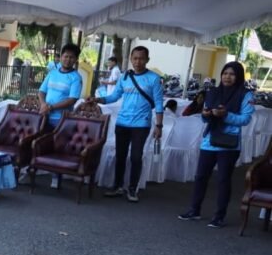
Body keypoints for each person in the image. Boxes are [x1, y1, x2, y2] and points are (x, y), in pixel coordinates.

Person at [178, 62, 255, 228]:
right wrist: (205, 114)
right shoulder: (212, 92)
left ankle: (219, 216)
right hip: (209, 141)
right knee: (200, 177)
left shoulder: (246, 95)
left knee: (223, 180)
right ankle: (194, 210)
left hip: (229, 144)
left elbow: (245, 119)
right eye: (225, 73)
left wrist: (226, 115)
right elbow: (205, 116)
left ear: (239, 76)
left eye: (232, 74)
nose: (227, 76)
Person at [93, 46, 163, 203]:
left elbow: (159, 103)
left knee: (136, 157)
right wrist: (98, 99)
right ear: (131, 59)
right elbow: (114, 97)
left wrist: (159, 126)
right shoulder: (124, 77)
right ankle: (117, 187)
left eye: (141, 58)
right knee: (120, 157)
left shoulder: (154, 79)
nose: (138, 62)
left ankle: (132, 189)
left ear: (147, 60)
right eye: (135, 58)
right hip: (122, 123)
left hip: (141, 124)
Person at [38, 43, 83, 131]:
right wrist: (43, 104)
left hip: (62, 119)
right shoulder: (52, 73)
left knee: (55, 143)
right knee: (39, 142)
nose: (68, 59)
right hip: (44, 115)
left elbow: (72, 100)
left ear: (76, 60)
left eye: (71, 57)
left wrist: (51, 107)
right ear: (61, 57)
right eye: (66, 56)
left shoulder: (76, 78)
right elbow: (41, 91)